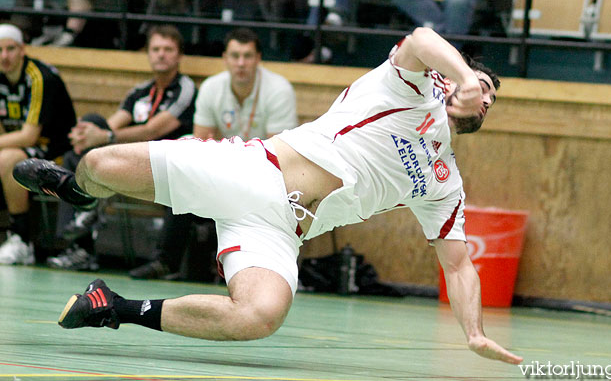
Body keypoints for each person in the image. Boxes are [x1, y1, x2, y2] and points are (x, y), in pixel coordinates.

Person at [14, 26, 522, 367]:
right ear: (449, 80)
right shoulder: (406, 87)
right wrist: (463, 76)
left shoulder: (443, 181)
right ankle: (76, 191)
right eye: (480, 83)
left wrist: (473, 334)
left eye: (490, 98)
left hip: (279, 230)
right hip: (251, 171)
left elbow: (458, 265)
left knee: (262, 315)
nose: (484, 96)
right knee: (99, 163)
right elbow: (422, 37)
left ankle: (114, 307)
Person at [129, 27, 297, 279]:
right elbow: (201, 140)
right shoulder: (211, 87)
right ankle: (165, 261)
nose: (241, 63)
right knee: (186, 163)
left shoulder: (278, 90)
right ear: (225, 58)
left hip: (267, 173)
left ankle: (264, 271)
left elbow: (278, 151)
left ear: (258, 59)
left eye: (247, 56)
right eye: (235, 56)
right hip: (226, 167)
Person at [45, 25, 197, 270]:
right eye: (155, 49)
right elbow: (112, 124)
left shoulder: (185, 89)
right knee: (83, 140)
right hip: (131, 161)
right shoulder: (140, 92)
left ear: (179, 55)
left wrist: (103, 135)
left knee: (95, 137)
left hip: (165, 166)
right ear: (147, 54)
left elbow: (153, 130)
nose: (161, 55)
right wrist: (87, 135)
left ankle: (86, 216)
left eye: (168, 50)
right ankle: (80, 240)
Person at [0, 23, 76, 265]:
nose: (4, 56)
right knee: (8, 156)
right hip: (16, 146)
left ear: (22, 49)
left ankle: (21, 239)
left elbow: (29, 136)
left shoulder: (40, 77)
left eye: (10, 49)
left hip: (57, 151)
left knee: (9, 158)